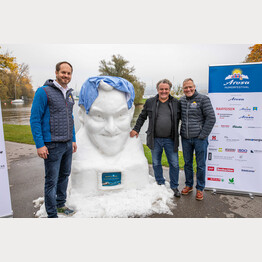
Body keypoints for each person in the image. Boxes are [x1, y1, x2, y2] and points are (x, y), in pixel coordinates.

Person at [69, 76, 149, 197]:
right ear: (81, 115)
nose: (111, 129)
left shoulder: (133, 145)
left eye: (121, 115)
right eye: (99, 116)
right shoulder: (78, 148)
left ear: (131, 112)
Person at [30, 61, 77, 218]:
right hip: (52, 145)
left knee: (64, 176)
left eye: (68, 73)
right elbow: (35, 119)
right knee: (52, 181)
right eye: (63, 72)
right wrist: (40, 144)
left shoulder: (69, 93)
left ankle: (60, 205)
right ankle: (51, 214)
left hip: (67, 144)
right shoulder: (43, 92)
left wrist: (73, 139)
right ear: (56, 73)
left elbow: (70, 118)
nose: (66, 75)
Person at [130, 79, 181, 197]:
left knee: (174, 164)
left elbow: (185, 118)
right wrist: (136, 129)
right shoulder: (150, 102)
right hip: (155, 139)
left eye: (166, 89)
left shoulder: (176, 103)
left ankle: (174, 186)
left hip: (171, 139)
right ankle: (160, 183)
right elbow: (142, 117)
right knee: (156, 162)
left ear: (169, 90)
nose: (164, 91)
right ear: (157, 90)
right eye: (161, 89)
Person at [179, 78, 216, 200]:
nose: (188, 89)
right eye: (185, 88)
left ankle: (200, 188)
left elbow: (211, 118)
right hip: (185, 138)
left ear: (194, 87)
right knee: (187, 163)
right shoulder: (182, 100)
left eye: (190, 87)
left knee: (200, 165)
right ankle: (189, 185)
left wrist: (202, 135)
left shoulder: (203, 99)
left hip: (200, 139)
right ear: (183, 89)